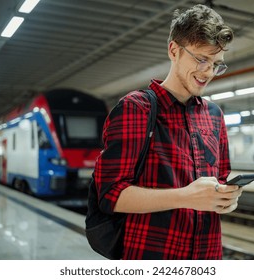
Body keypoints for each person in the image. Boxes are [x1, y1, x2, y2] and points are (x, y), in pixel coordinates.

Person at [93, 4, 242, 259]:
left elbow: (220, 181)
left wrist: (226, 199)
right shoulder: (136, 108)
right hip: (154, 255)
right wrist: (185, 197)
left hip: (208, 256)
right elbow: (110, 195)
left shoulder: (214, 116)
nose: (208, 72)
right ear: (174, 50)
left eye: (217, 64)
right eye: (201, 59)